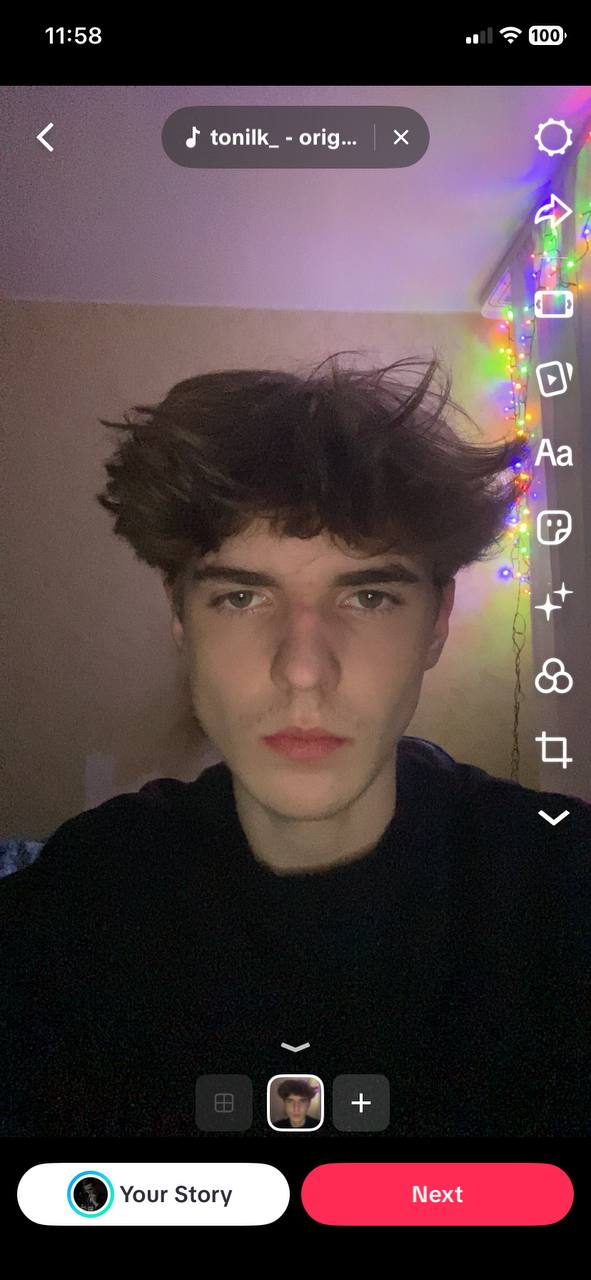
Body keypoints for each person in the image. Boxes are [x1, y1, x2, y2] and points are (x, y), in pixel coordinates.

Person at [1, 354, 589, 1139]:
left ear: (437, 623)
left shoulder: (560, 891)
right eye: (242, 596)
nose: (303, 669)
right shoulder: (81, 903)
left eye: (369, 596)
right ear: (180, 619)